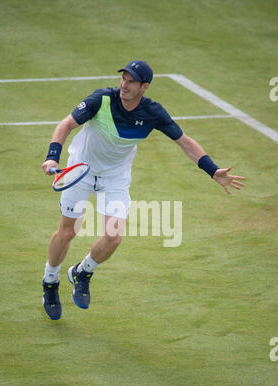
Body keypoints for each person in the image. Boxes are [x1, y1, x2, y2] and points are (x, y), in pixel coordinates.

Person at [41, 60, 245, 320]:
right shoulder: (101, 99)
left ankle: (82, 272)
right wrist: (52, 157)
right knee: (68, 231)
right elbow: (66, 124)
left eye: (132, 81)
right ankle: (50, 281)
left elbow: (184, 141)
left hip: (114, 178)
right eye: (123, 79)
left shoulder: (153, 113)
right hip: (80, 170)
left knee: (114, 237)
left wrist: (213, 170)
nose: (125, 85)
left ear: (144, 87)